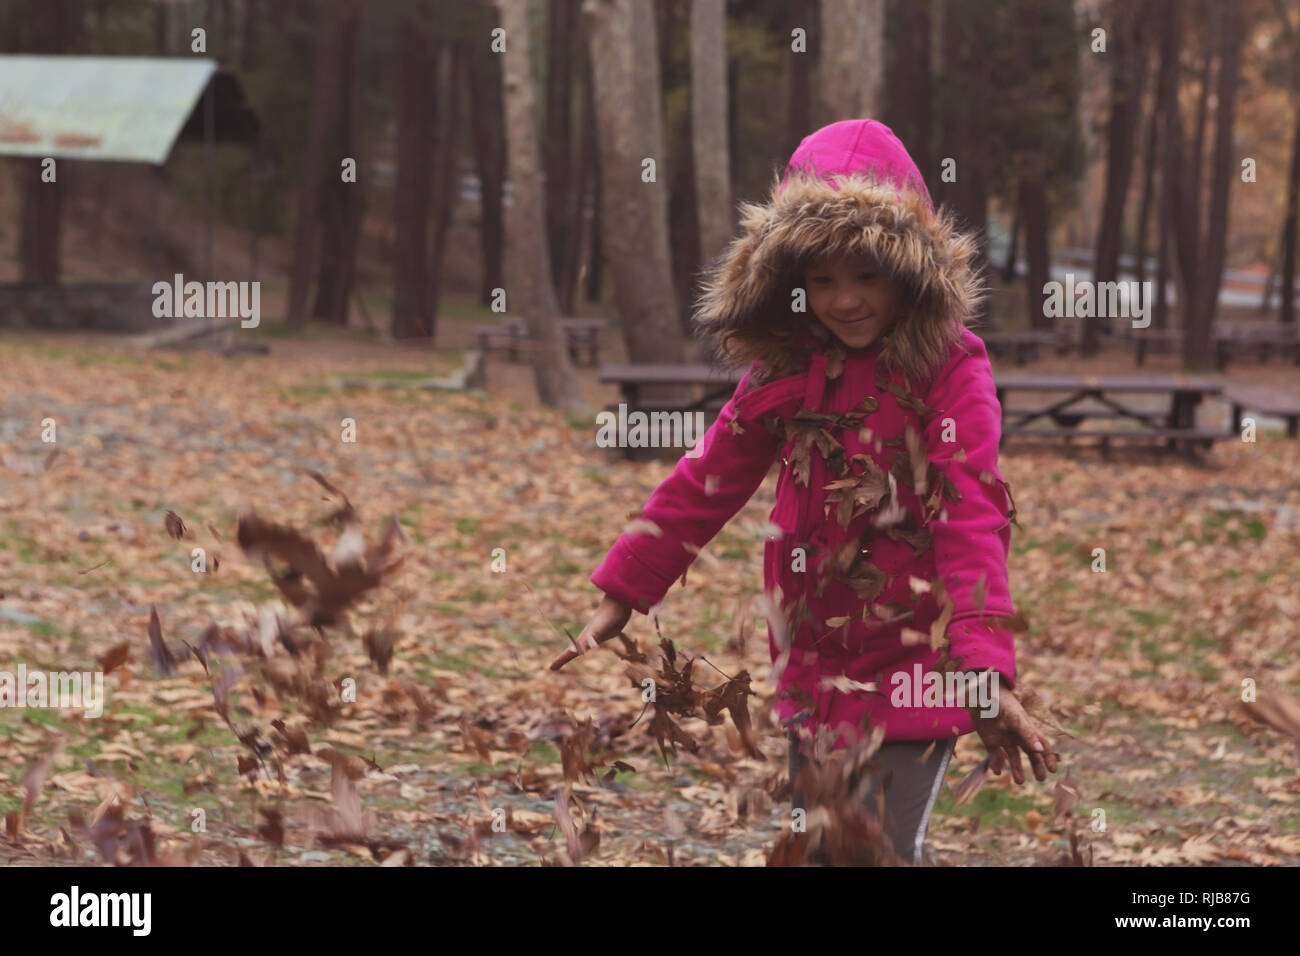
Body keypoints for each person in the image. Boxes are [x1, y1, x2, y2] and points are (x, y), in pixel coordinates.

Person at [550, 119, 1058, 864]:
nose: (843, 301)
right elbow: (708, 477)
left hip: (915, 659)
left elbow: (971, 515)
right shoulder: (788, 369)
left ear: (908, 272)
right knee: (821, 843)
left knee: (874, 850)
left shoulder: (950, 372)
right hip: (814, 661)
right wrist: (624, 589)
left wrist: (984, 674)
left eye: (866, 276)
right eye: (822, 280)